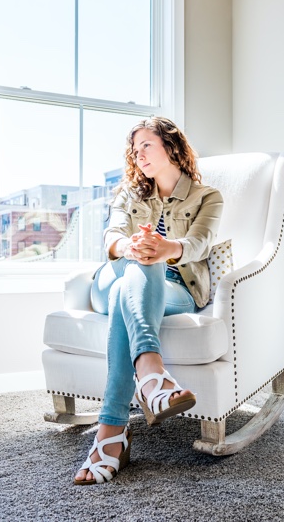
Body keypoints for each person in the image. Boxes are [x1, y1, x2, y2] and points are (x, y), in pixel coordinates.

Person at [74, 116, 224, 485]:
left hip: (175, 288)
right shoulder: (128, 193)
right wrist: (131, 246)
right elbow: (112, 236)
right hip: (114, 278)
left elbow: (199, 243)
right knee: (135, 270)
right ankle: (151, 376)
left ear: (171, 147)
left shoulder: (208, 197)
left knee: (145, 270)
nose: (138, 154)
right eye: (134, 148)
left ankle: (112, 432)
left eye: (147, 145)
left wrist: (164, 249)